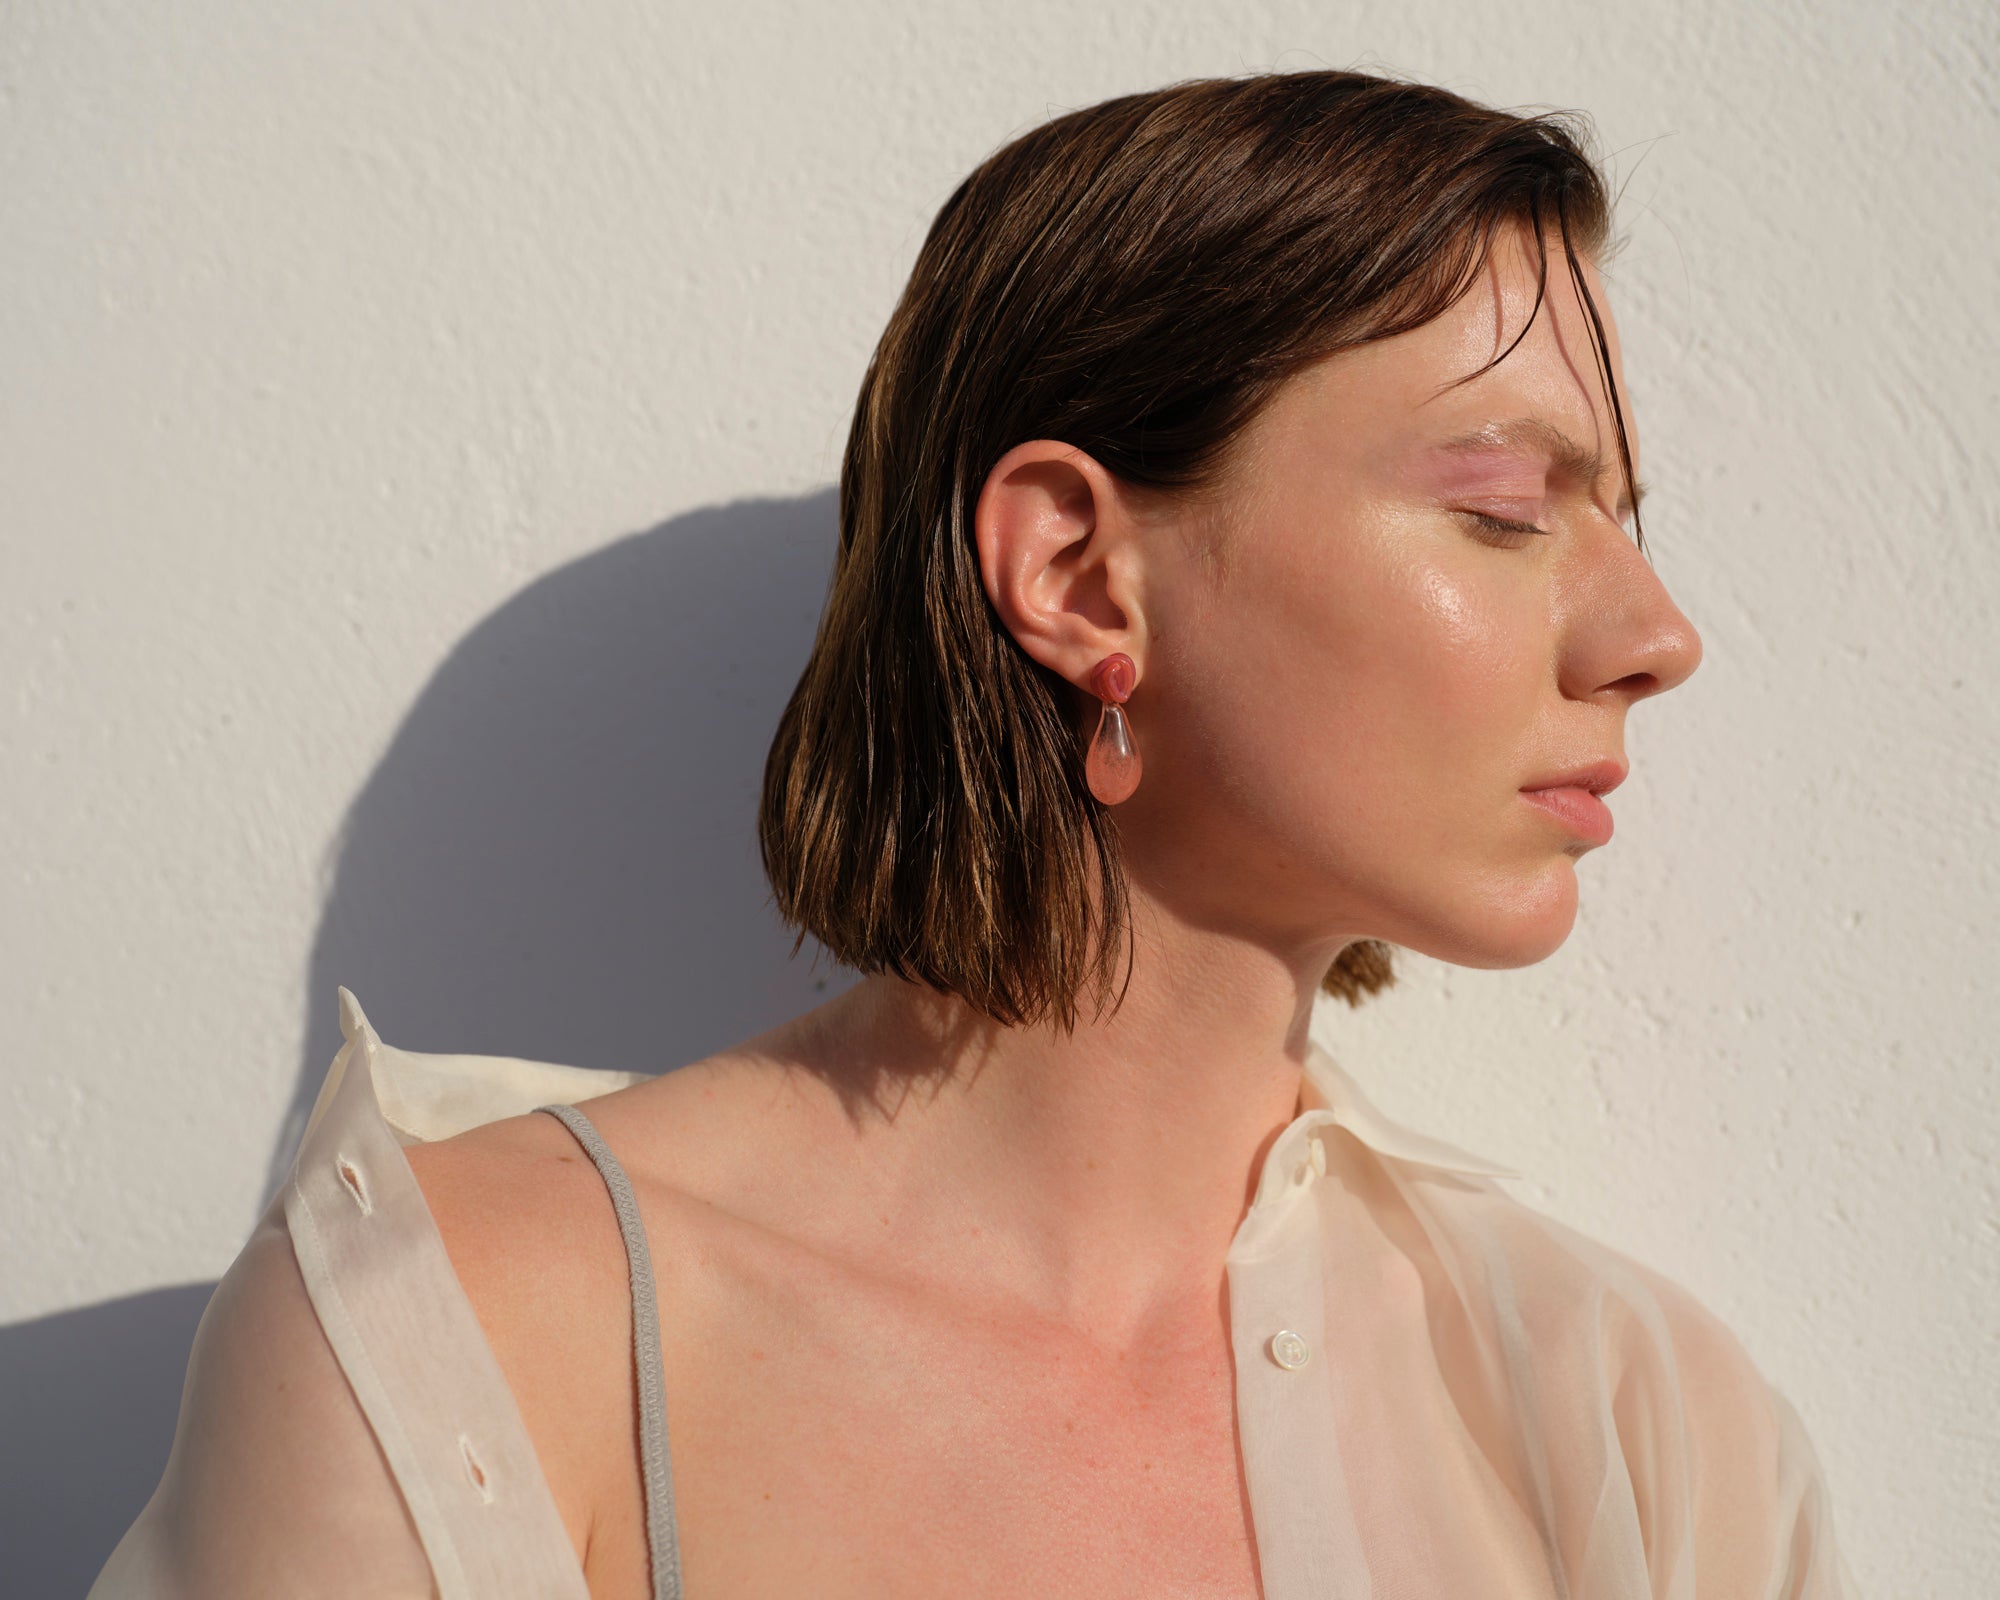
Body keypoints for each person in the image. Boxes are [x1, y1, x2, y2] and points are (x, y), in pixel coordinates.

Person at [90, 69, 1859, 1600]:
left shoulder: (1639, 1425)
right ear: (1078, 572)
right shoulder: (456, 1338)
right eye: (1499, 509)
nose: (1657, 633)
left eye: (1620, 518)